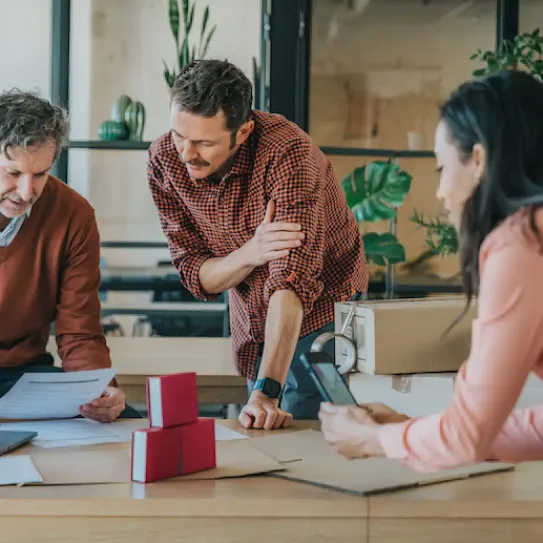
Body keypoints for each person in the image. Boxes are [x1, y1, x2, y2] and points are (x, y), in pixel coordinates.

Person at [320, 69, 543, 471]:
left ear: (479, 160)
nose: (440, 192)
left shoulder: (521, 247)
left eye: (441, 169)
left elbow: (467, 439)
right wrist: (417, 431)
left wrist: (376, 440)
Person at [147, 59, 368, 429]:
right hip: (252, 314)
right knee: (263, 425)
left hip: (326, 311)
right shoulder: (164, 162)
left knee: (312, 433)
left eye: (203, 142)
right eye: (178, 136)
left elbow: (291, 283)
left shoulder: (288, 154)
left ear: (244, 131)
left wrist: (266, 390)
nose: (186, 154)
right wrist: (250, 253)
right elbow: (197, 276)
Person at [0, 89, 139, 422]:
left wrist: (98, 388)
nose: (26, 192)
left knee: (126, 423)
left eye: (41, 174)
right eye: (13, 173)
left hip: (22, 377)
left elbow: (79, 330)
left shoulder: (74, 216)